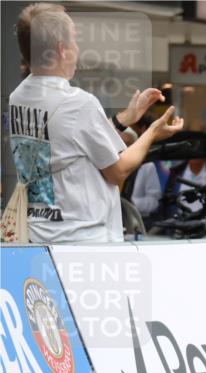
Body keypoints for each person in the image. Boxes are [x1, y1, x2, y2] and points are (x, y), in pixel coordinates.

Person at [9, 2, 183, 243]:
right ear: (61, 49)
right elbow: (118, 171)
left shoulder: (17, 97)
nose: (78, 48)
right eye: (74, 40)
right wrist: (151, 132)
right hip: (83, 239)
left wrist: (126, 118)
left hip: (37, 233)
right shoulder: (79, 103)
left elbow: (70, 145)